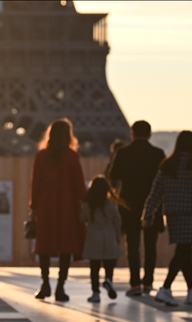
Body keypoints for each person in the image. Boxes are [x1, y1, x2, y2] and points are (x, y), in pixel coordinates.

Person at [142, 131, 192, 306]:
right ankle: (166, 288)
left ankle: (191, 290)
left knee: (183, 251)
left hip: (173, 213)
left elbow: (156, 192)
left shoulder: (168, 165)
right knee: (183, 251)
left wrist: (147, 213)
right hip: (191, 213)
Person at [106, 120, 166, 296]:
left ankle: (135, 283)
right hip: (152, 204)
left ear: (132, 133)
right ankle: (148, 282)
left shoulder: (123, 153)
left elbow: (112, 175)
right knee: (150, 246)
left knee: (132, 245)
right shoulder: (157, 154)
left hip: (129, 204)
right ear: (149, 134)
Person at [30, 118, 87, 302]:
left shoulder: (41, 156)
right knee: (66, 246)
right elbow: (79, 185)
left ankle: (45, 284)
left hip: (46, 204)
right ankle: (60, 288)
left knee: (44, 245)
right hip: (67, 205)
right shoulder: (72, 157)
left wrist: (33, 206)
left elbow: (35, 183)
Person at [80, 176, 123, 303]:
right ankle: (108, 280)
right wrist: (117, 237)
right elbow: (117, 221)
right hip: (109, 235)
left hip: (94, 235)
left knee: (95, 267)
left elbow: (83, 219)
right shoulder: (111, 205)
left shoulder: (88, 205)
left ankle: (95, 293)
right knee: (109, 263)